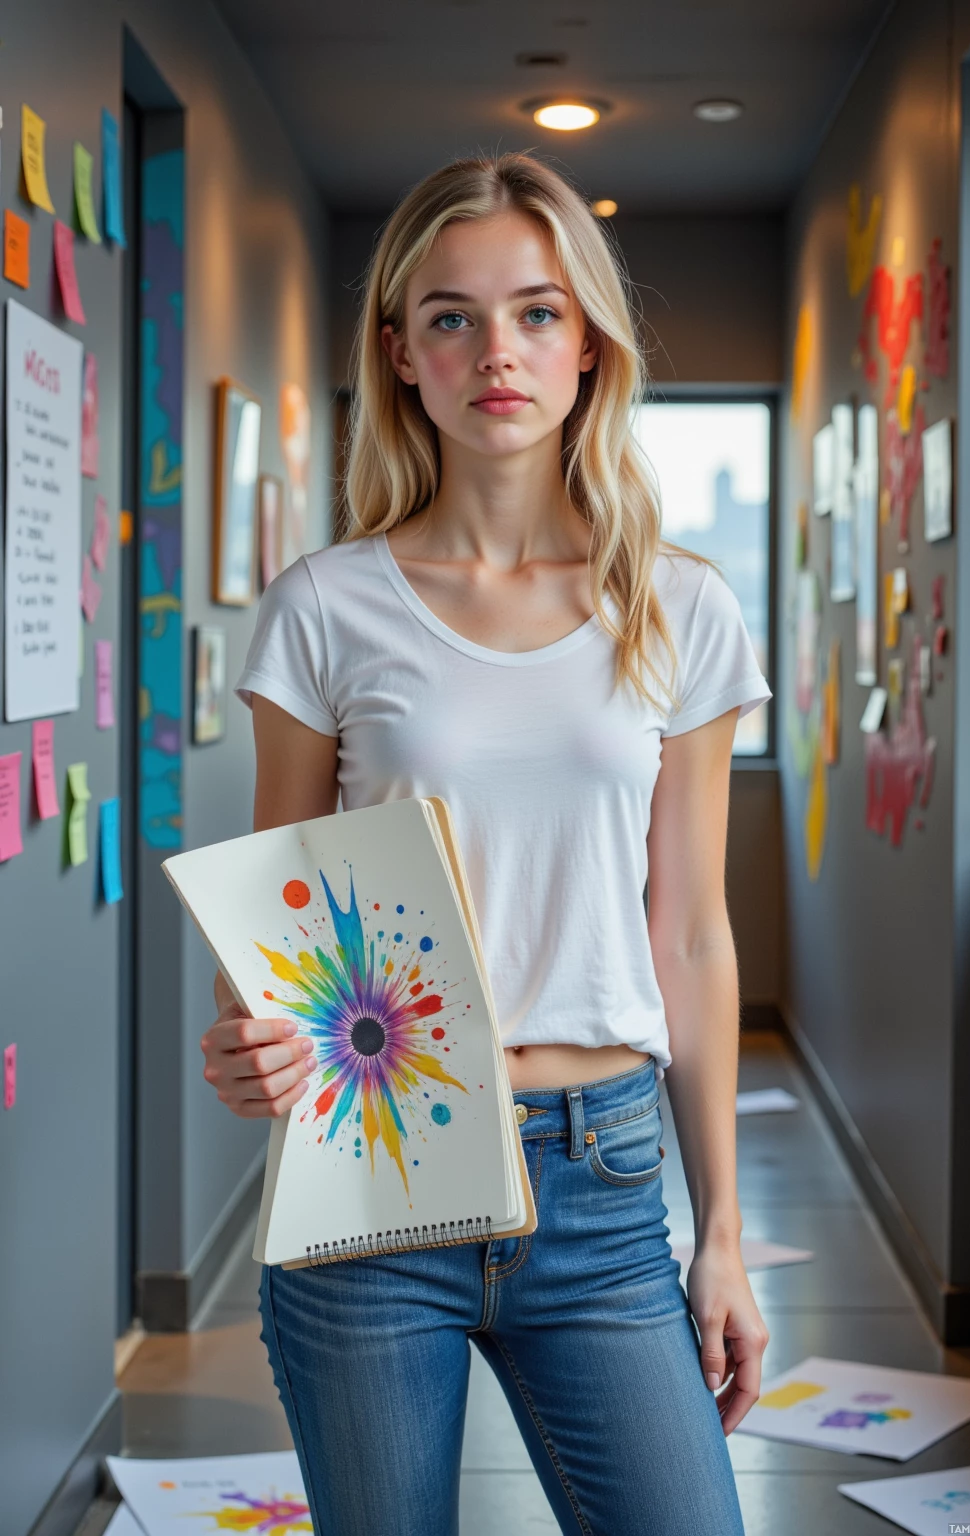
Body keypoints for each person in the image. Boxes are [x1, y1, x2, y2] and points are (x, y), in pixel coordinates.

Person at [201, 152, 771, 1536]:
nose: (494, 350)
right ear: (399, 355)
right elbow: (274, 923)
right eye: (451, 316)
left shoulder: (680, 610)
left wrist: (726, 1241)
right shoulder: (324, 608)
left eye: (534, 312)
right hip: (376, 1171)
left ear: (588, 346)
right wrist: (250, 1033)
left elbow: (690, 931)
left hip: (603, 1174)